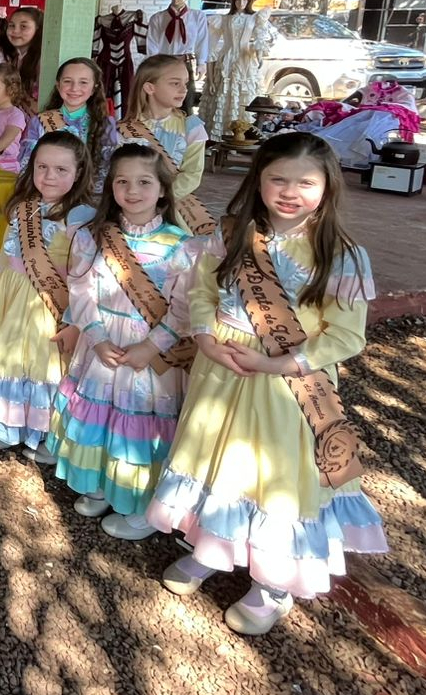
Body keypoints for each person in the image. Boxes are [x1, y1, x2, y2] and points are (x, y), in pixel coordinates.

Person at [146, 132, 386, 635]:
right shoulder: (232, 233)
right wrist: (206, 336)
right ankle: (213, 546)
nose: (289, 190)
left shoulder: (340, 253)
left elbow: (346, 334)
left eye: (305, 181)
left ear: (328, 186)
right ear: (258, 181)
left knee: (273, 473)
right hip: (223, 371)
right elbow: (204, 289)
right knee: (215, 457)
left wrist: (283, 365)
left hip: (286, 385)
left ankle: (274, 580)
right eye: (277, 178)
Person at [45, 143, 196, 539]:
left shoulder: (182, 246)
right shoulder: (91, 237)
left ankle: (141, 504)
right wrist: (93, 337)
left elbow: (183, 310)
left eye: (144, 182)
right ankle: (101, 482)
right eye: (122, 181)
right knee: (100, 416)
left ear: (162, 189)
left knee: (139, 427)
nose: (132, 190)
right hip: (102, 348)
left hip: (150, 356)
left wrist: (150, 346)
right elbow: (79, 291)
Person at [0, 131, 96, 453]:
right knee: (3, 352)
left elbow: (85, 274)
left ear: (78, 173)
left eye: (61, 170)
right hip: (8, 294)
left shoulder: (81, 217)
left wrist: (74, 318)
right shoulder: (23, 208)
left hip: (47, 303)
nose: (49, 176)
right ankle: (1, 418)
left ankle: (36, 425)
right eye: (42, 167)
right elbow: (6, 252)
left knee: (36, 361)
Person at [117, 54, 215, 235]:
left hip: (171, 209)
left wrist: (157, 198)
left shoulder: (191, 128)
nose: (183, 89)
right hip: (130, 206)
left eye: (185, 83)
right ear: (149, 87)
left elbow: (192, 174)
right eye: (174, 83)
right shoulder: (123, 130)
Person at [17, 57, 119, 191]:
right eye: (67, 81)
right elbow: (27, 164)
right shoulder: (41, 121)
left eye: (83, 82)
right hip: (47, 192)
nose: (74, 88)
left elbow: (108, 168)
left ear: (94, 88)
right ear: (58, 85)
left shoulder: (105, 124)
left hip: (90, 195)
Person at [202, 0, 274, 141]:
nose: (241, 2)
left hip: (245, 62)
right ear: (233, 1)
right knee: (224, 95)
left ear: (248, 1)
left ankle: (243, 136)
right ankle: (219, 137)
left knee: (242, 95)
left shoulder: (255, 18)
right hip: (226, 61)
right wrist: (209, 73)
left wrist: (259, 54)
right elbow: (212, 45)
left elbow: (260, 38)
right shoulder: (223, 19)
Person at [147, 0, 210, 99]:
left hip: (185, 62)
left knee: (185, 99)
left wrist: (202, 62)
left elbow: (202, 40)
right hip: (164, 63)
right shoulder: (158, 18)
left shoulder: (197, 17)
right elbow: (152, 43)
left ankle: (184, 117)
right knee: (163, 97)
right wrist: (153, 65)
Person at [7, 6, 44, 100]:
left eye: (23, 26)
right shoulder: (10, 56)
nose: (15, 31)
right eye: (11, 25)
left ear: (37, 29)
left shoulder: (41, 60)